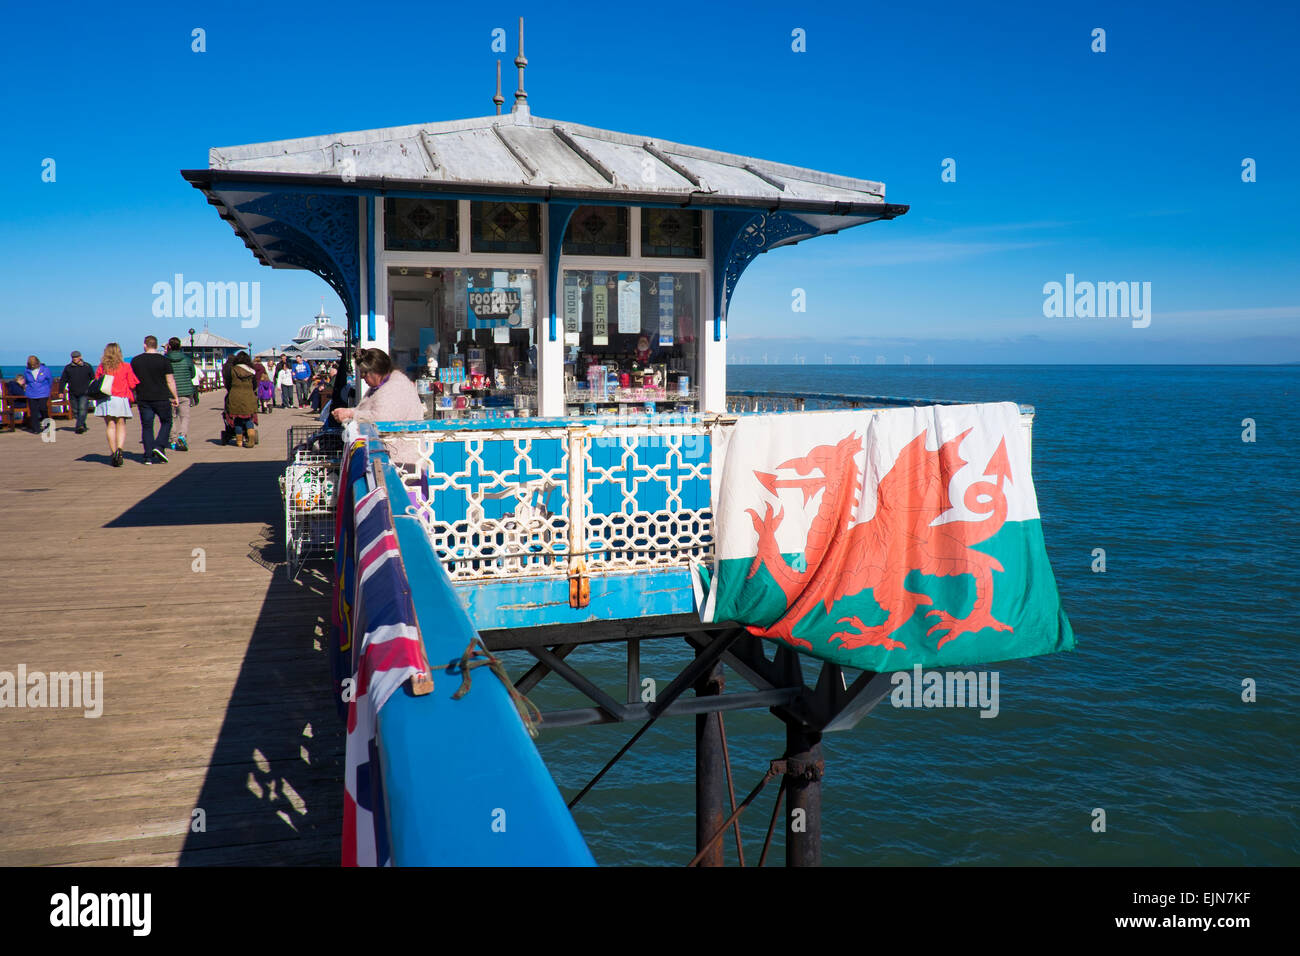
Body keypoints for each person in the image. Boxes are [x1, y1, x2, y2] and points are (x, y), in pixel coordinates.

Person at [332, 348, 425, 467]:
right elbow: (371, 412)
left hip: (404, 463)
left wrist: (351, 414)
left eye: (364, 373)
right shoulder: (384, 385)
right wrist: (348, 412)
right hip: (393, 459)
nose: (362, 378)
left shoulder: (395, 387)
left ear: (376, 372)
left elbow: (381, 418)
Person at [130, 335, 180, 465]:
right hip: (161, 397)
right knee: (166, 421)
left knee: (147, 426)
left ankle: (147, 457)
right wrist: (175, 396)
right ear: (156, 346)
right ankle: (159, 446)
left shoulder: (136, 361)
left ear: (144, 345)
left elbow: (132, 381)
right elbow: (170, 380)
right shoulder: (164, 360)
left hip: (143, 398)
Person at [93, 342, 140, 467]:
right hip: (120, 398)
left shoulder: (102, 367)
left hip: (105, 398)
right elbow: (132, 384)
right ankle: (120, 449)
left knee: (110, 425)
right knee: (121, 424)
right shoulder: (126, 366)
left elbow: (97, 381)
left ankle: (113, 452)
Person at [165, 337, 198, 452]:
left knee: (172, 417)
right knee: (184, 417)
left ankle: (173, 441)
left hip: (169, 392)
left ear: (169, 346)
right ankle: (182, 435)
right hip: (185, 392)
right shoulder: (187, 359)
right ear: (180, 346)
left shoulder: (165, 359)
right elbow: (193, 374)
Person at [225, 351, 259, 447]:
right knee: (248, 418)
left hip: (235, 395)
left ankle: (239, 441)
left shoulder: (232, 370)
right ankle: (251, 438)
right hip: (248, 395)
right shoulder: (251, 371)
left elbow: (228, 383)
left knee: (237, 420)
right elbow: (255, 385)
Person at [16, 355, 53, 436]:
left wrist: (47, 390)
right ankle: (36, 428)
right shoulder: (26, 371)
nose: (33, 366)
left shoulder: (45, 369)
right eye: (31, 365)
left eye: (34, 364)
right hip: (31, 393)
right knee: (33, 411)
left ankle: (47, 424)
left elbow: (50, 380)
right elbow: (26, 381)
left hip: (43, 392)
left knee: (43, 408)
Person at [61, 351, 96, 434]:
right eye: (73, 357)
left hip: (84, 392)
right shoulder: (68, 368)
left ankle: (79, 426)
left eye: (76, 357)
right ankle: (82, 424)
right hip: (72, 392)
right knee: (75, 411)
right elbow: (63, 380)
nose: (75, 359)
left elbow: (93, 379)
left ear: (80, 357)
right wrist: (60, 391)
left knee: (83, 409)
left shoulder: (87, 366)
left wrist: (92, 390)